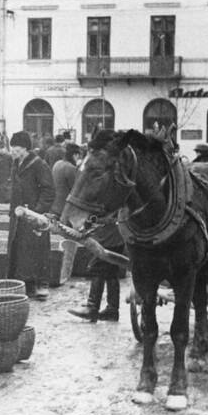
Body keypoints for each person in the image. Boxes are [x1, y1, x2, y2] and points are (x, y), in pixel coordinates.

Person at [67, 132, 125, 322]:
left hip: (111, 227)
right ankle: (112, 308)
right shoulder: (113, 166)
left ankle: (93, 307)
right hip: (114, 227)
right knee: (110, 269)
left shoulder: (116, 169)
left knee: (99, 264)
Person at [6, 131, 55, 299]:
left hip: (35, 217)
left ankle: (42, 283)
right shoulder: (15, 164)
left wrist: (38, 212)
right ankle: (26, 284)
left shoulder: (39, 164)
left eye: (15, 147)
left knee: (39, 249)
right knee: (20, 250)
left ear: (25, 148)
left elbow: (49, 191)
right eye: (11, 147)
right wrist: (11, 212)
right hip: (18, 216)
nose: (12, 150)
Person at [50, 143, 81, 218]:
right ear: (75, 156)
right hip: (64, 208)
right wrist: (78, 165)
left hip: (54, 205)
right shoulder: (71, 168)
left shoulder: (57, 163)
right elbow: (76, 188)